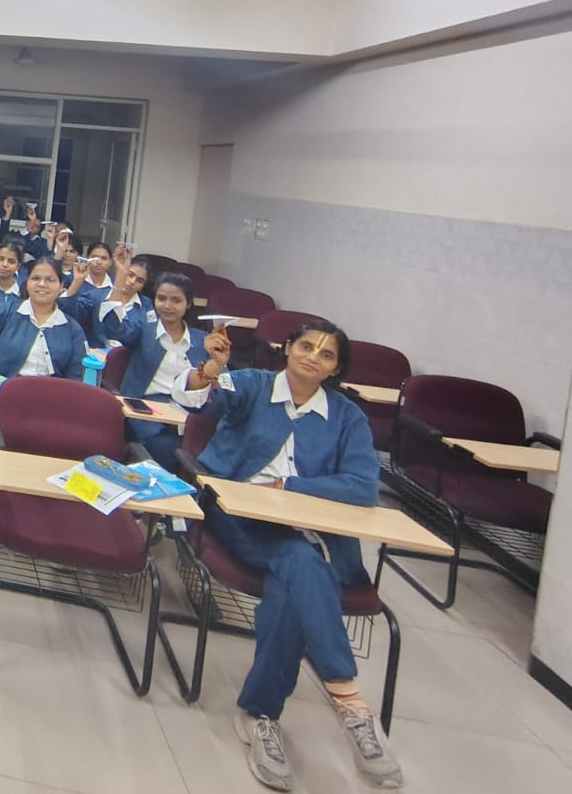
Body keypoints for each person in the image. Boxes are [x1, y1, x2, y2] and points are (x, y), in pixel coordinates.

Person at [175, 321, 403, 791]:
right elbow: (200, 397)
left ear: (335, 369)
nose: (313, 357)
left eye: (326, 354)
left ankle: (259, 714)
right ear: (287, 349)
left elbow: (363, 487)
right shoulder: (253, 384)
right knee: (303, 564)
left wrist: (291, 486)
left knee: (294, 578)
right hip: (237, 516)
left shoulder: (346, 417)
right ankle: (351, 703)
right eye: (306, 346)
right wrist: (210, 369)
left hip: (305, 530)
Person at [0, 255, 87, 551]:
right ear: (26, 283)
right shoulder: (8, 310)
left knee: (69, 445)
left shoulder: (71, 328)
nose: (42, 285)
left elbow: (76, 378)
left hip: (50, 408)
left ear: (61, 286)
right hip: (1, 402)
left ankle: (49, 514)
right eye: (36, 278)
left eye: (50, 279)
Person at [98, 269, 205, 471]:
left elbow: (219, 380)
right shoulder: (144, 329)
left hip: (187, 412)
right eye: (161, 298)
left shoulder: (202, 340)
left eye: (176, 300)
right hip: (145, 409)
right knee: (164, 444)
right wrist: (119, 279)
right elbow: (113, 328)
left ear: (189, 304)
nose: (167, 306)